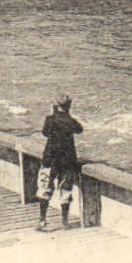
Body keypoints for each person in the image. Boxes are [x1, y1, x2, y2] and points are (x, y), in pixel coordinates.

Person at [36, 96, 84, 232]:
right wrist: (67, 115)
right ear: (69, 106)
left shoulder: (50, 119)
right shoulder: (71, 121)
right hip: (67, 161)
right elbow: (80, 129)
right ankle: (64, 222)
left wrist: (54, 113)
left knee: (45, 188)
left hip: (50, 160)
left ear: (56, 105)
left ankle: (42, 220)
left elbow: (45, 133)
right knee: (65, 191)